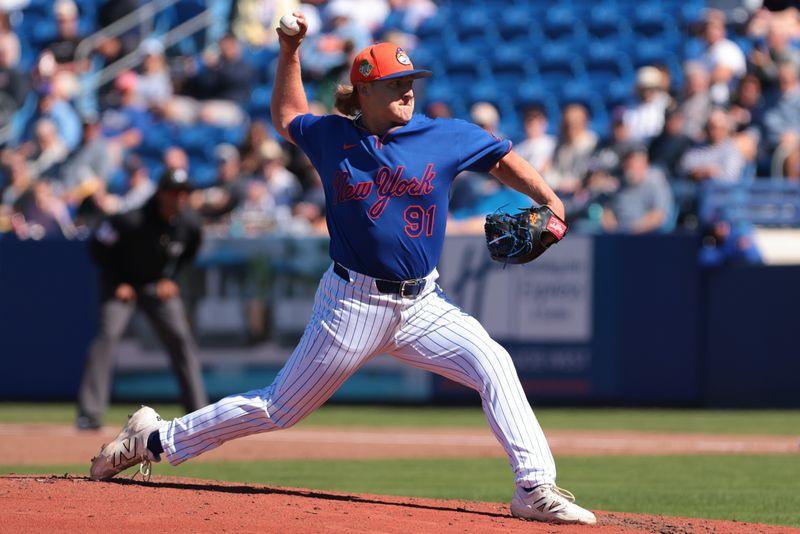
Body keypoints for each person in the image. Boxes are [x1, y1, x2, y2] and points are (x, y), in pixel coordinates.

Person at [89, 16, 596, 526]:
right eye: (395, 84)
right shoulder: (333, 137)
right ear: (364, 91)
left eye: (411, 82)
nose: (408, 91)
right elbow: (288, 114)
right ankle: (152, 439)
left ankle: (534, 488)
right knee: (278, 409)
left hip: (423, 304)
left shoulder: (444, 136)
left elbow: (499, 156)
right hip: (352, 303)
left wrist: (550, 199)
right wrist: (290, 50)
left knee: (494, 365)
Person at [76, 169, 208, 430]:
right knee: (107, 336)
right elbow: (98, 248)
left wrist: (172, 277)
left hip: (156, 286)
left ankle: (198, 413)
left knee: (181, 338)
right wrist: (117, 282)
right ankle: (89, 414)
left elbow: (189, 253)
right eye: (175, 192)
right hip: (122, 286)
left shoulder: (189, 224)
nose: (181, 198)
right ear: (161, 194)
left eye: (185, 192)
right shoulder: (131, 219)